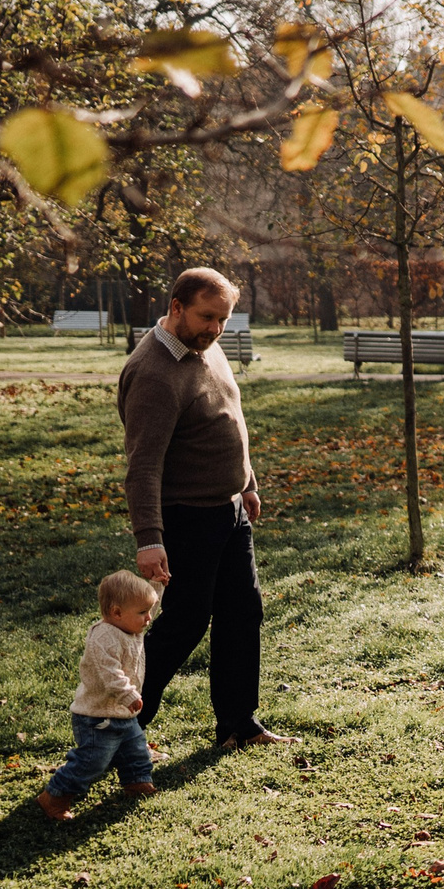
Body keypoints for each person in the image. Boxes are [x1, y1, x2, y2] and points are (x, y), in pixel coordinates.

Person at [118, 267, 295, 749]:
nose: (216, 328)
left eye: (223, 319)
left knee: (242, 612)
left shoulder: (205, 348)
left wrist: (248, 484)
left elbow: (230, 418)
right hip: (187, 516)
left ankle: (238, 723)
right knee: (184, 623)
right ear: (176, 307)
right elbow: (143, 467)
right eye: (207, 316)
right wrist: (149, 539)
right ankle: (121, 726)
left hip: (230, 509)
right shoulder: (153, 373)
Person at [38, 570, 161, 821]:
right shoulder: (104, 636)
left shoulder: (132, 625)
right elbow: (109, 672)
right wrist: (127, 694)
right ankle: (54, 796)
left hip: (123, 714)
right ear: (116, 612)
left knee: (136, 752)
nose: (149, 618)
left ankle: (136, 782)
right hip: (96, 717)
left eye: (148, 612)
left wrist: (158, 584)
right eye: (142, 613)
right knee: (92, 762)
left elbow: (148, 608)